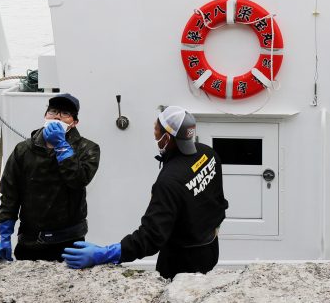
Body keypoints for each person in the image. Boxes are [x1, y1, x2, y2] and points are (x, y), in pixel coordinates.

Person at [62, 106, 228, 280]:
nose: (154, 133)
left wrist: (106, 253)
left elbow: (151, 236)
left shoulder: (169, 182)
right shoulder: (208, 154)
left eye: (156, 129)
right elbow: (217, 200)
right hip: (210, 248)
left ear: (167, 137)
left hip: (181, 260)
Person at [0, 93, 101, 262]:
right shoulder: (23, 150)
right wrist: (5, 234)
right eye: (53, 111)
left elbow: (78, 180)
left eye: (65, 113)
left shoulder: (88, 148)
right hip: (30, 240)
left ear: (74, 122)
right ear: (45, 116)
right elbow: (10, 194)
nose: (57, 116)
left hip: (69, 240)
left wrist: (62, 147)